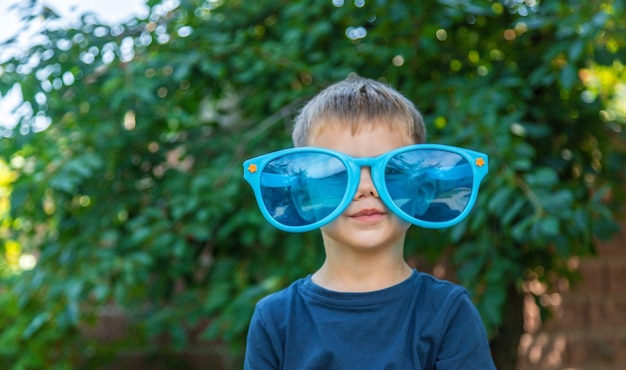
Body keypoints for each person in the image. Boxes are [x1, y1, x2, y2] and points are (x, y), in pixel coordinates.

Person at [242, 75, 496, 369]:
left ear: (423, 191)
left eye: (391, 171)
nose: (366, 187)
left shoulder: (448, 313)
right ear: (303, 195)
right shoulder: (275, 319)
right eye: (336, 172)